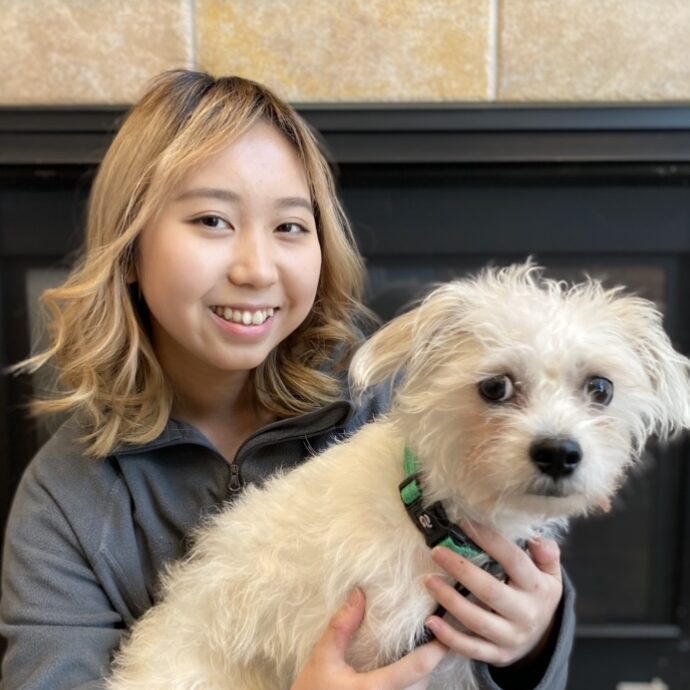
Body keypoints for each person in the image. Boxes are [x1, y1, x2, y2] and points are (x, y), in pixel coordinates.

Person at [0, 70, 574, 690]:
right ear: (131, 249)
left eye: (291, 227)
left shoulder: (395, 407)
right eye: (213, 221)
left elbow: (503, 599)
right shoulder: (68, 495)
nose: (256, 268)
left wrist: (532, 638)